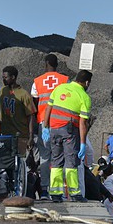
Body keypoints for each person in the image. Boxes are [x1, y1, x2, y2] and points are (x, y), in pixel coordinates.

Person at [42, 70, 92, 203]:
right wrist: (82, 142)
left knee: (56, 161)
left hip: (54, 130)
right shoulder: (84, 97)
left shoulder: (59, 88)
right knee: (71, 162)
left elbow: (48, 108)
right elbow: (82, 123)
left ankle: (56, 193)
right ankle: (74, 193)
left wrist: (45, 127)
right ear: (87, 82)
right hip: (69, 132)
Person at [31, 54, 69, 200]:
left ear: (46, 63)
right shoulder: (65, 80)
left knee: (45, 157)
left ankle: (45, 190)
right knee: (59, 157)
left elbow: (35, 103)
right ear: (57, 64)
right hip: (61, 123)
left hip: (44, 124)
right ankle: (57, 190)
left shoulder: (37, 82)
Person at [0, 66, 36, 155]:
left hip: (21, 135)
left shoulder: (24, 94)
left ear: (13, 77)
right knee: (7, 161)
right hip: (5, 134)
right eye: (3, 77)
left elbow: (31, 115)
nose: (4, 79)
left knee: (20, 161)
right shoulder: (2, 91)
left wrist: (31, 136)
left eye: (6, 77)